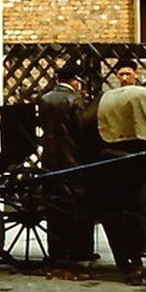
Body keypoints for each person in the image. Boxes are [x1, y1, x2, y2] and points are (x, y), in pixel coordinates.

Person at [37, 60, 96, 279]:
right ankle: (79, 255)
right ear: (75, 81)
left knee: (55, 209)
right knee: (77, 210)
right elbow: (82, 132)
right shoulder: (75, 101)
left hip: (51, 162)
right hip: (73, 162)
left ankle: (57, 253)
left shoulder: (45, 99)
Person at [112, 58, 146, 257]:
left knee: (145, 201)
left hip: (143, 151)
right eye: (121, 74)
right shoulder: (113, 97)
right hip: (123, 152)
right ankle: (132, 242)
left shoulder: (144, 95)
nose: (124, 77)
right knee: (127, 202)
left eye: (128, 73)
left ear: (136, 74)